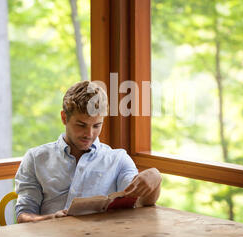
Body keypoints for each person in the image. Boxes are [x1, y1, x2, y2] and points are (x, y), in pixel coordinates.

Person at [15, 80, 162, 223]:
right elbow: (24, 216)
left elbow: (141, 202)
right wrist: (51, 219)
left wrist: (155, 178)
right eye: (81, 125)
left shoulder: (118, 159)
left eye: (97, 126)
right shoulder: (35, 159)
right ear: (64, 118)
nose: (89, 134)